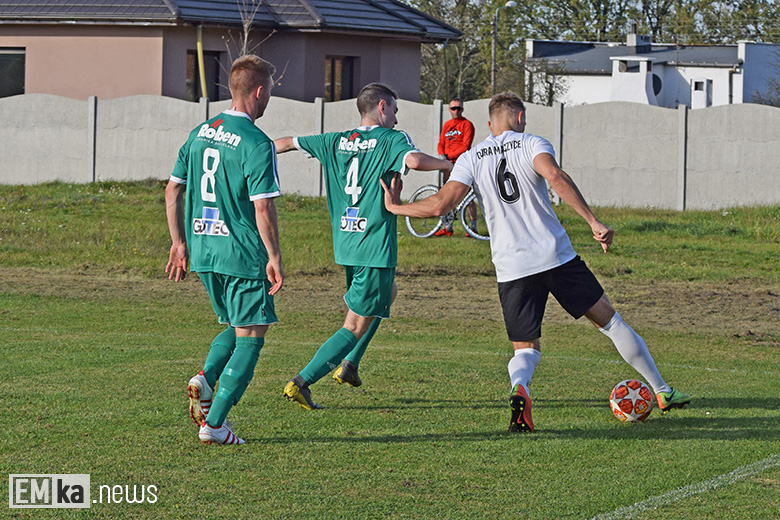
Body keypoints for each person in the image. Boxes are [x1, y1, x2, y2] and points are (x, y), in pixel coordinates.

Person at [382, 91, 691, 432]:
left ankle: (521, 388)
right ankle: (662, 391)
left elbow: (440, 206)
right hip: (555, 256)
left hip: (512, 267)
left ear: (488, 124)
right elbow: (556, 177)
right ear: (520, 116)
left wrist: (397, 208)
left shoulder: (471, 158)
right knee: (611, 323)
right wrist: (593, 222)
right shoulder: (532, 143)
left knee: (525, 349)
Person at [274, 82, 453, 410]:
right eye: (395, 111)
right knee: (354, 324)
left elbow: (285, 143)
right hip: (373, 245)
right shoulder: (392, 139)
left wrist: (246, 153)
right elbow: (412, 162)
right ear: (383, 107)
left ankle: (351, 365)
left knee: (389, 294)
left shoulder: (335, 140)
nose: (397, 120)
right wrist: (446, 164)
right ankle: (300, 382)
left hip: (346, 243)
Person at [165, 55, 282, 445]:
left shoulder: (200, 132)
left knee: (236, 324)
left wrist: (179, 243)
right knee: (252, 335)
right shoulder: (257, 142)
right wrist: (275, 256)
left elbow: (172, 189)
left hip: (204, 252)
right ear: (259, 91)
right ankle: (214, 425)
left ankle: (206, 377)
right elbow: (263, 206)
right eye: (270, 91)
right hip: (241, 253)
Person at [435, 97, 475, 236]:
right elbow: (441, 142)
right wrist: (442, 155)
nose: (456, 111)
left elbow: (466, 146)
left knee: (467, 195)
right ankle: (448, 227)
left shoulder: (467, 125)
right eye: (453, 108)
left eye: (459, 108)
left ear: (462, 109)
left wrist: (449, 155)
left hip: (461, 163)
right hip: (447, 164)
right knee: (447, 196)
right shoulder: (447, 125)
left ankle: (473, 227)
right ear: (449, 110)